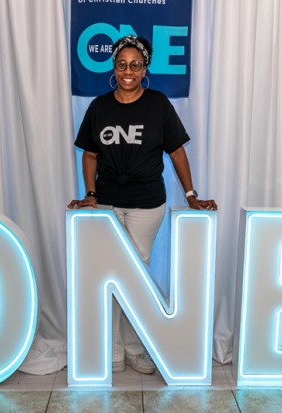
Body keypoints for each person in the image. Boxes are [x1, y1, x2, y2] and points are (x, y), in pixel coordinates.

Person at [67, 35, 217, 375]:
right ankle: (113, 350)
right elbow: (90, 154)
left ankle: (135, 348)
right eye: (122, 64)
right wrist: (90, 195)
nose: (128, 71)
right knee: (110, 274)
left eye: (135, 65)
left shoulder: (158, 104)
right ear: (114, 67)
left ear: (145, 69)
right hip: (106, 204)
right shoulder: (99, 107)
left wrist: (191, 195)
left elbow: (176, 152)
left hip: (146, 205)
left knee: (133, 275)